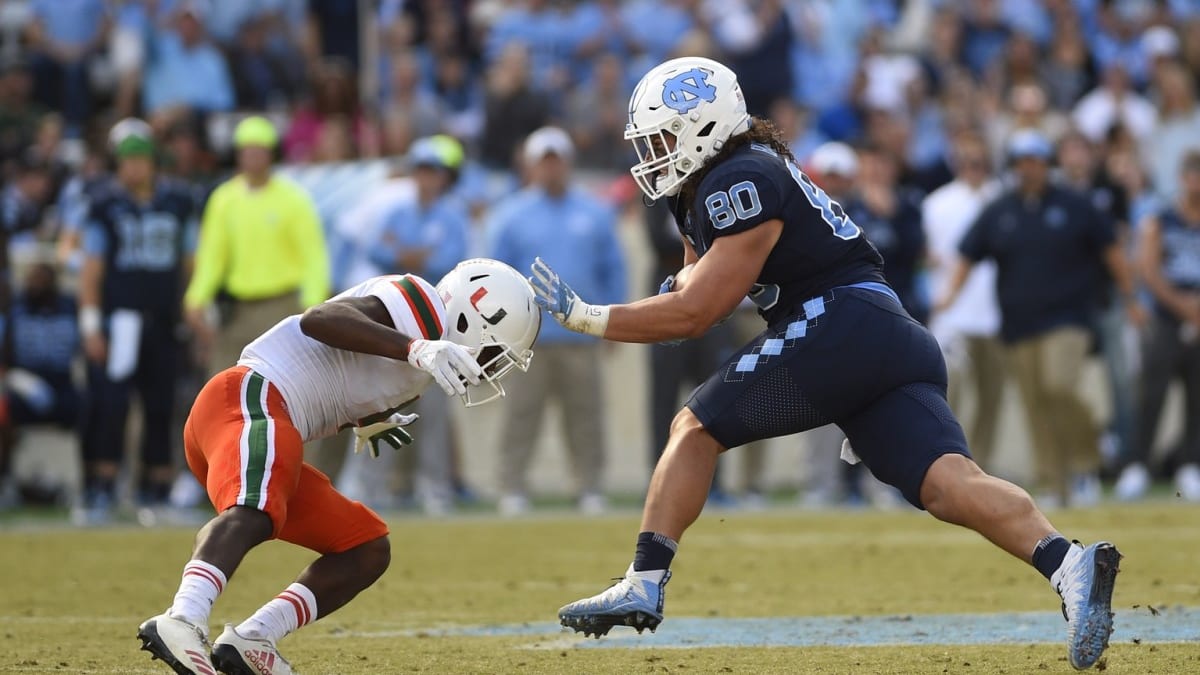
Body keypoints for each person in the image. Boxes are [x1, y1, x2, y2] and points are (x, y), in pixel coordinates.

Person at [536, 57, 1121, 671]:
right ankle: (1068, 564)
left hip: (838, 321)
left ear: (702, 126)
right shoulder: (719, 185)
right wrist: (676, 286)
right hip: (885, 329)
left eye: (661, 138)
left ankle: (645, 580)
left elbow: (695, 312)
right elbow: (693, 280)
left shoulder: (739, 179)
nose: (652, 154)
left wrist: (587, 316)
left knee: (695, 428)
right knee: (948, 484)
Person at [136, 258, 541, 675]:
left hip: (272, 423)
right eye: (495, 352)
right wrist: (415, 347)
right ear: (472, 317)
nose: (492, 367)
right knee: (253, 510)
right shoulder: (421, 305)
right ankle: (182, 617)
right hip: (247, 397)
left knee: (366, 547)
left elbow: (343, 375)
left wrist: (367, 420)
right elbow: (321, 319)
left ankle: (254, 638)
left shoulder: (421, 375)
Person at [944, 130, 1145, 508]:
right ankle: (1057, 483)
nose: (1028, 169)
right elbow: (968, 253)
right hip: (1018, 323)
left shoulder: (1075, 205)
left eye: (1035, 161)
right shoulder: (1000, 210)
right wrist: (950, 296)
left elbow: (1112, 251)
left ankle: (1090, 452)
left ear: (1047, 164)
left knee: (1057, 386)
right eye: (1021, 162)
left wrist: (1131, 297)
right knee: (1035, 404)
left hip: (1069, 318)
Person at [488, 126, 625, 516]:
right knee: (521, 415)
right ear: (532, 166)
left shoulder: (595, 213)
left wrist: (616, 322)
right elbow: (494, 275)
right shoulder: (510, 216)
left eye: (557, 161)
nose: (551, 169)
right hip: (526, 337)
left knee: (586, 415)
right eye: (544, 162)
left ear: (568, 164)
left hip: (582, 333)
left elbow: (613, 269)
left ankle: (589, 486)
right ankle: (512, 486)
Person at [75, 124, 200, 523]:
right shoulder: (104, 204)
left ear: (152, 161)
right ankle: (103, 489)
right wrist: (92, 323)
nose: (133, 168)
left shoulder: (178, 201)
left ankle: (157, 490)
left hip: (163, 319)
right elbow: (91, 270)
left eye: (139, 159)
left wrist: (195, 310)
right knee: (112, 406)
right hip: (121, 319)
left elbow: (190, 263)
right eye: (126, 160)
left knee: (161, 405)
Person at [184, 116, 330, 373]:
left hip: (282, 305)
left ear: (270, 154)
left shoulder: (292, 199)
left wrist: (312, 303)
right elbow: (212, 256)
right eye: (247, 151)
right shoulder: (223, 199)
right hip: (237, 309)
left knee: (286, 380)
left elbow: (313, 255)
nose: (252, 157)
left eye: (258, 151)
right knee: (225, 381)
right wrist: (197, 296)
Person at [1116, 150, 1200, 502]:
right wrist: (1184, 307)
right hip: (1168, 315)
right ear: (1182, 178)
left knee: (1198, 395)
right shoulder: (1161, 219)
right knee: (1152, 392)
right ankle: (1137, 465)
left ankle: (1190, 464)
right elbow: (1147, 269)